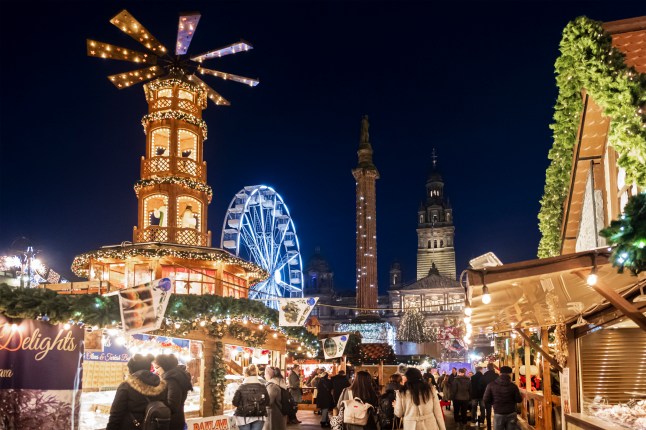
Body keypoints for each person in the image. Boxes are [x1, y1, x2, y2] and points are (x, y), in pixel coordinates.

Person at [107, 354, 167, 430]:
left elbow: (116, 414)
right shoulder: (161, 385)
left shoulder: (126, 386)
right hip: (154, 427)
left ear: (132, 370)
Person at [153, 354, 193, 430]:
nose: (156, 371)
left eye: (157, 367)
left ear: (165, 366)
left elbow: (173, 405)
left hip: (171, 422)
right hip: (174, 420)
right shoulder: (174, 377)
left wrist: (156, 401)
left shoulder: (172, 380)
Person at [233, 364, 270, 430]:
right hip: (259, 415)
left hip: (243, 417)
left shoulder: (241, 387)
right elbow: (267, 402)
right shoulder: (262, 387)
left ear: (246, 374)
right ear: (256, 373)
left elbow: (235, 402)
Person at [479, 364, 499, 430]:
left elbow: (481, 387)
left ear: (487, 368)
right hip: (496, 396)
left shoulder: (484, 376)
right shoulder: (496, 376)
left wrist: (483, 395)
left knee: (488, 412)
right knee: (497, 412)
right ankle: (497, 426)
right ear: (493, 368)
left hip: (487, 395)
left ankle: (489, 427)